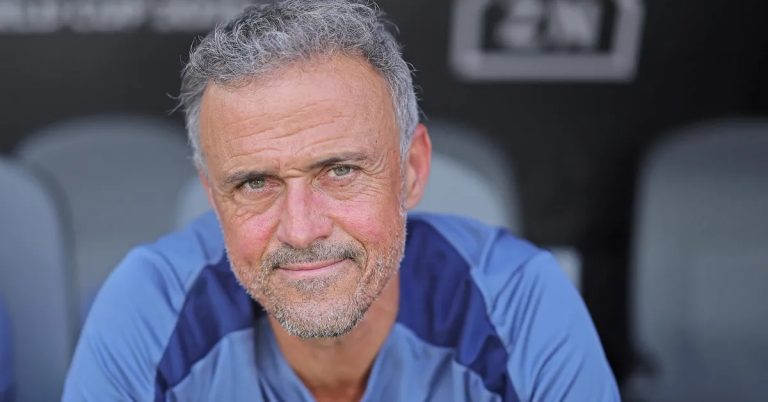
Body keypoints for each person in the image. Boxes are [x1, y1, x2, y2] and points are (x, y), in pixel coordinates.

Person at [63, 1, 619, 400]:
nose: (301, 230)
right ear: (213, 194)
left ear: (411, 170)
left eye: (340, 171)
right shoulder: (152, 305)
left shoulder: (519, 304)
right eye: (255, 183)